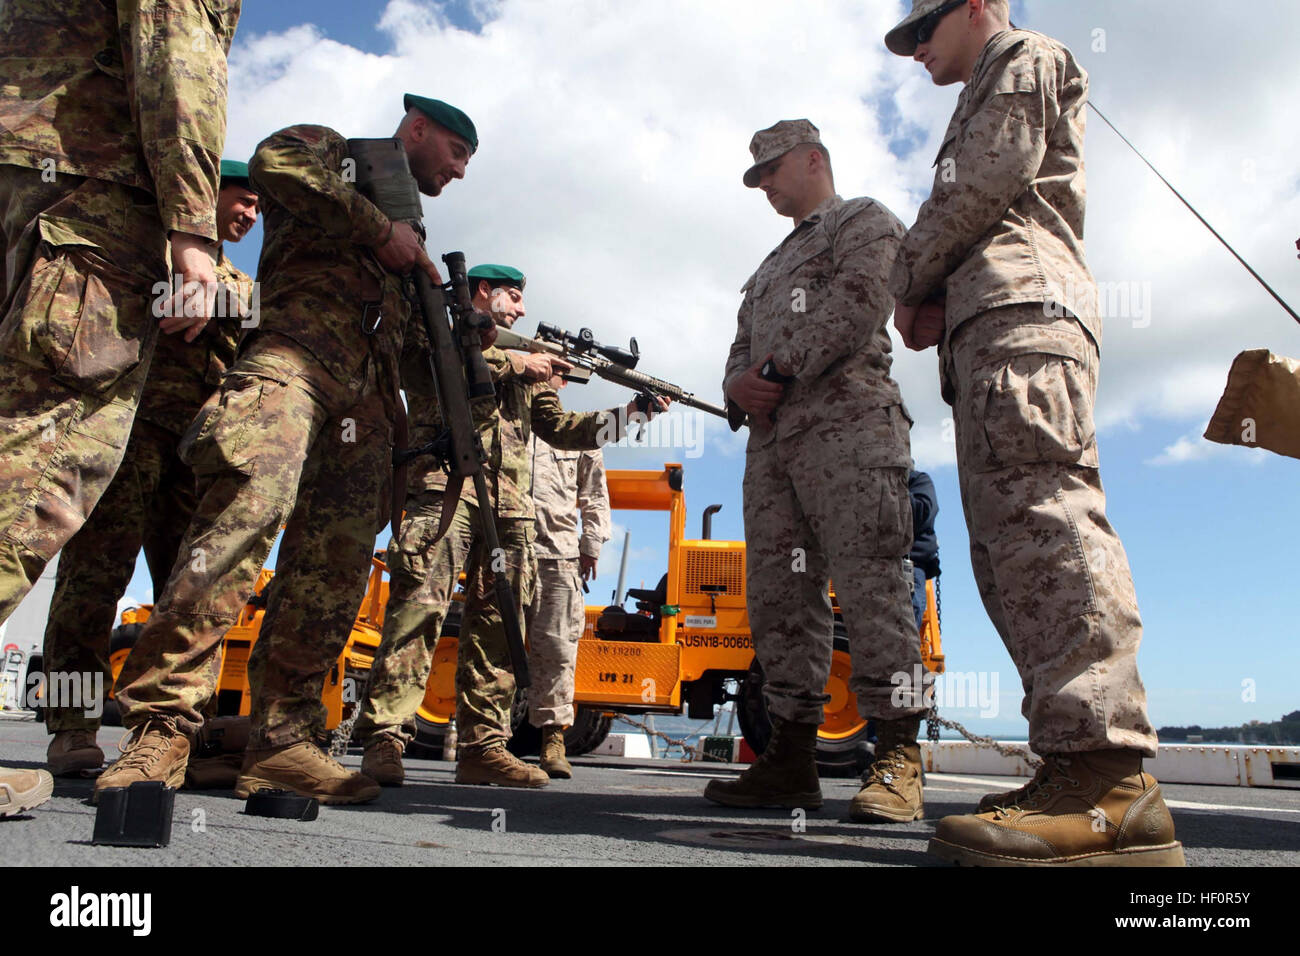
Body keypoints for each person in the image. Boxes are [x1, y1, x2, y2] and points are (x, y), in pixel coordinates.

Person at [98, 94, 478, 806]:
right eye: (456, 154)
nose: (459, 172)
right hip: (287, 368)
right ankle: (162, 728)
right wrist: (378, 227)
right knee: (236, 531)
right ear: (418, 130)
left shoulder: (412, 230)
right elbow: (276, 162)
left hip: (364, 404)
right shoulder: (335, 151)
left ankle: (282, 742)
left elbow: (408, 337)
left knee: (330, 576)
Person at [885, 0, 1183, 865]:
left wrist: (907, 280)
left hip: (1023, 318)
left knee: (1045, 522)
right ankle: (1075, 768)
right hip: (995, 323)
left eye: (922, 29)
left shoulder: (1022, 54)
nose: (913, 52)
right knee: (1013, 545)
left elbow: (986, 175)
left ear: (976, 5)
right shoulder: (987, 76)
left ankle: (1108, 781)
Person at [355, 263, 664, 789]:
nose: (522, 309)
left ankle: (483, 746)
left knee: (500, 628)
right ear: (481, 292)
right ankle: (385, 737)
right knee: (418, 612)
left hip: (512, 508)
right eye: (514, 297)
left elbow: (565, 430)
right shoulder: (440, 327)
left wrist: (631, 413)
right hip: (446, 491)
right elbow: (426, 365)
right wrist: (513, 362)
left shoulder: (530, 366)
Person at [708, 120, 926, 823]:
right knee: (778, 600)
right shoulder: (766, 270)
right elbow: (738, 350)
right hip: (772, 449)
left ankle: (896, 756)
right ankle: (791, 758)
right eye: (757, 177)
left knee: (872, 587)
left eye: (771, 170)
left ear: (813, 160)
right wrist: (737, 386)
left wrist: (777, 368)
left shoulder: (860, 220)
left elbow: (862, 300)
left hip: (850, 431)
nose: (765, 185)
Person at [0, 0, 238, 625]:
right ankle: (71, 716)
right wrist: (191, 231)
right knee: (43, 463)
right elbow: (178, 67)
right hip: (91, 206)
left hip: (45, 195)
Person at [41, 161, 258, 778]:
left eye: (257, 210)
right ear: (205, 195)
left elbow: (257, 326)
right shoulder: (154, 252)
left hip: (196, 451)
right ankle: (71, 729)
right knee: (91, 583)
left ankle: (173, 731)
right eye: (240, 202)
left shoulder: (239, 282)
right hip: (126, 436)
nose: (248, 216)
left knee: (191, 592)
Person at [526, 412, 611, 778]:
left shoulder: (578, 431)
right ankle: (487, 740)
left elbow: (594, 494)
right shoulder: (505, 419)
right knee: (493, 646)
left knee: (558, 650)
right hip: (505, 551)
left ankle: (552, 739)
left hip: (558, 555)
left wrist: (590, 545)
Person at [908, 470, 940, 633]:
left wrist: (891, 487)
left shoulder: (918, 480)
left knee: (905, 628)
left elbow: (922, 511)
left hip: (909, 566)